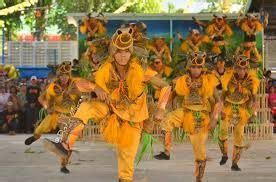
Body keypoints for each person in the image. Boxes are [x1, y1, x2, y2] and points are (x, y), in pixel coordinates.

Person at [43, 27, 165, 181]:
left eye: (126, 51)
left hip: (133, 121)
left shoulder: (140, 70)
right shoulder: (105, 69)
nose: (122, 55)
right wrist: (96, 87)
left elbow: (166, 87)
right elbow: (78, 84)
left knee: (126, 159)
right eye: (119, 51)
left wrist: (161, 108)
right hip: (110, 113)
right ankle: (64, 145)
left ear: (131, 52)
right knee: (87, 107)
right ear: (113, 52)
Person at [155, 51, 221, 182]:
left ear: (202, 68)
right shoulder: (182, 80)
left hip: (200, 117)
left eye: (198, 67)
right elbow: (170, 94)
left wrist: (214, 118)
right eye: (193, 67)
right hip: (184, 112)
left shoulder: (209, 80)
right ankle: (167, 152)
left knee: (200, 153)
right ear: (189, 67)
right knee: (166, 120)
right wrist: (161, 109)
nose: (196, 70)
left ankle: (199, 179)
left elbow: (218, 101)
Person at [218, 55, 260, 171]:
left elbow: (254, 99)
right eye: (239, 69)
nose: (241, 71)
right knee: (222, 132)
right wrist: (220, 109)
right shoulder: (228, 78)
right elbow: (222, 97)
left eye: (244, 69)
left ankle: (234, 163)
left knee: (239, 136)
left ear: (247, 69)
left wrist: (253, 113)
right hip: (228, 107)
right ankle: (224, 154)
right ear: (235, 68)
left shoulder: (251, 81)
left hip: (241, 109)